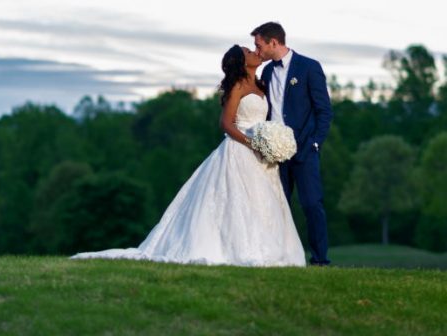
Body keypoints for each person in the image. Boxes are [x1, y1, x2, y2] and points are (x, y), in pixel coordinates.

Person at [71, 45, 306, 267]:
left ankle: (270, 247)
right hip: (240, 150)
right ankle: (237, 248)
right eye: (248, 51)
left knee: (263, 202)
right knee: (239, 201)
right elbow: (225, 123)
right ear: (242, 62)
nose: (254, 52)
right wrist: (252, 143)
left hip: (262, 155)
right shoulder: (238, 86)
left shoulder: (261, 85)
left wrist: (271, 142)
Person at [252, 22, 333, 266]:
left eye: (259, 45)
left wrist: (316, 143)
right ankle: (280, 258)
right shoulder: (266, 73)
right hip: (274, 154)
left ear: (273, 42)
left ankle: (320, 260)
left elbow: (324, 111)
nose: (257, 51)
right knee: (278, 207)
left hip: (305, 150)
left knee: (311, 204)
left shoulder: (309, 67)